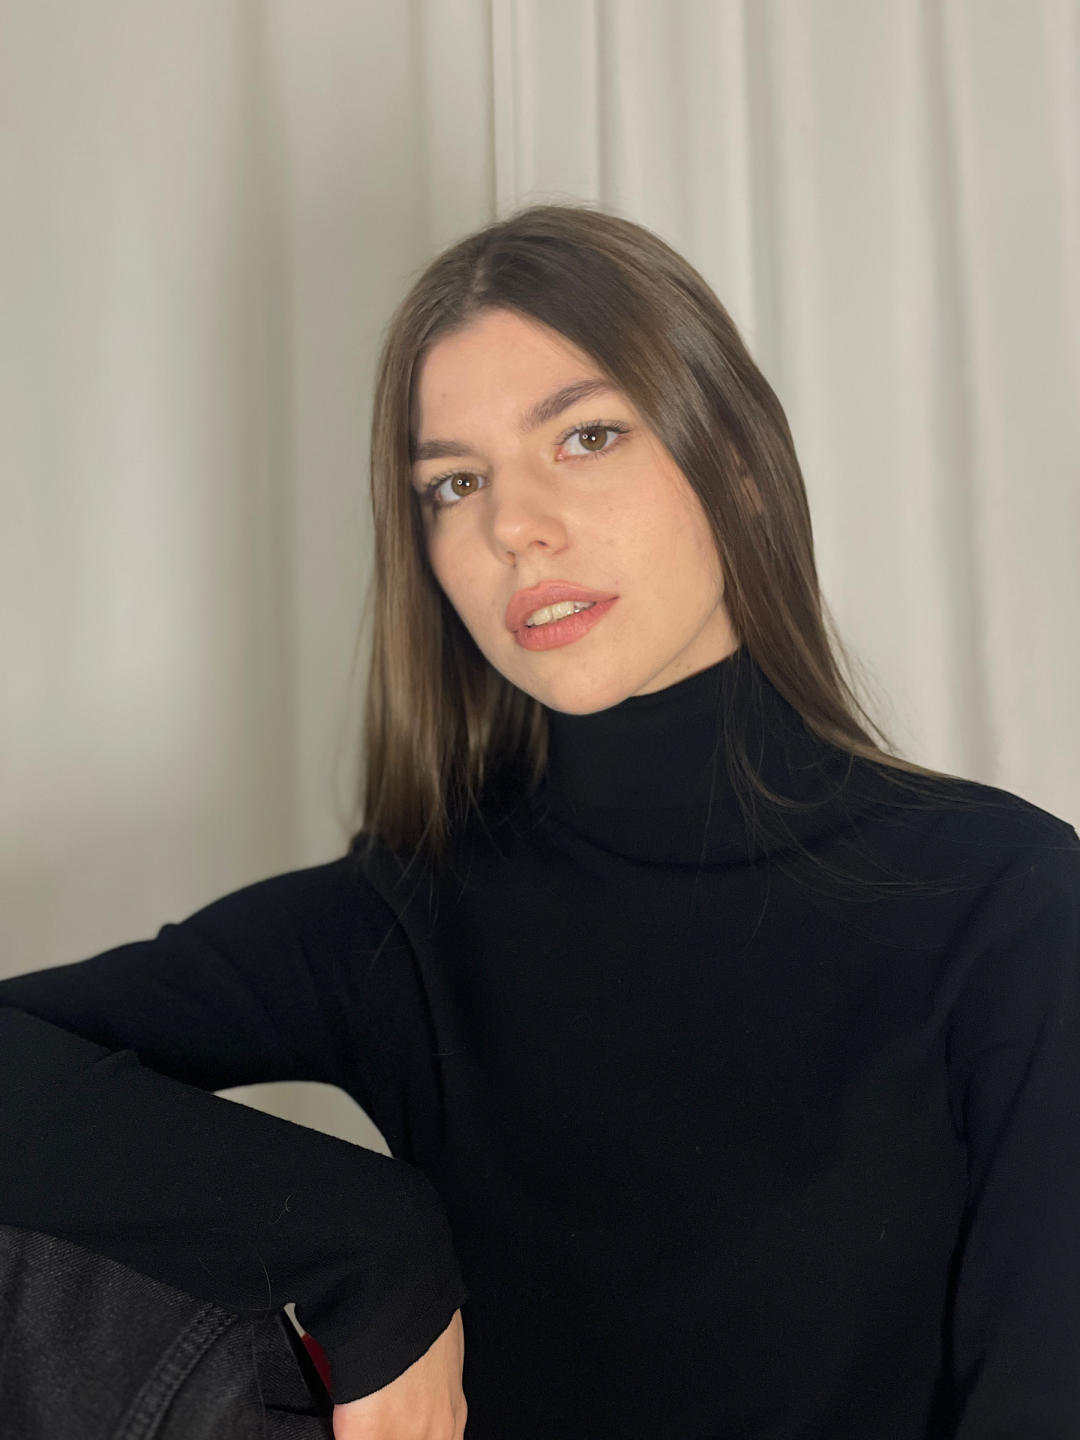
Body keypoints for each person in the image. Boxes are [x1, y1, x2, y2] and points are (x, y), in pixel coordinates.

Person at [2, 201, 1078, 1440]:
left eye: (586, 435)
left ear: (735, 463)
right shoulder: (407, 921)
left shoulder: (1001, 898)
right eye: (454, 483)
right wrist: (367, 1239)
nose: (513, 525)